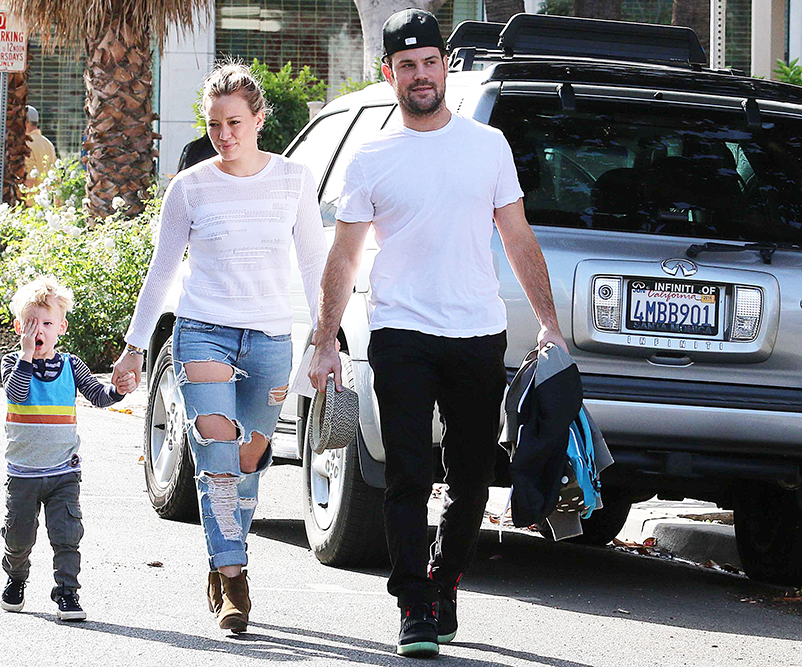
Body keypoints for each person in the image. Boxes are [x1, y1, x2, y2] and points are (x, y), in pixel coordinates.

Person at [307, 9, 567, 658]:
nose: (420, 75)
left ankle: (445, 579)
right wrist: (325, 338)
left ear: (444, 66)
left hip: (477, 332)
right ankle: (414, 604)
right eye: (407, 65)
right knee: (407, 474)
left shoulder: (487, 148)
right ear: (390, 72)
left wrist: (549, 324)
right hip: (400, 332)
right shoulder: (372, 158)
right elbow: (343, 257)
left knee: (474, 477)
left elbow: (518, 237)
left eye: (430, 62)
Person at [111, 63, 327, 633]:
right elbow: (162, 273)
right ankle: (234, 576)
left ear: (259, 119)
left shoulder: (294, 181)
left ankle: (220, 551)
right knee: (215, 454)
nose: (224, 134)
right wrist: (135, 347)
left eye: (235, 122)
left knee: (250, 458)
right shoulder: (190, 187)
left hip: (271, 337)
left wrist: (326, 339)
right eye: (213, 125)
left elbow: (313, 264)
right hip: (203, 328)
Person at [0, 275, 137, 621]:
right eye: (32, 324)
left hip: (63, 471)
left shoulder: (70, 366)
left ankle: (67, 594)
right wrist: (27, 356)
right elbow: (15, 393)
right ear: (19, 327)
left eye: (47, 323)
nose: (39, 330)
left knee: (66, 536)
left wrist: (119, 390)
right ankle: (16, 579)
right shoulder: (12, 363)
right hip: (24, 472)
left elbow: (99, 396)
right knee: (19, 538)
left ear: (61, 327)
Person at [23, 105, 57, 195]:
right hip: (46, 201)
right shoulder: (48, 143)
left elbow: (29, 180)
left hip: (29, 203)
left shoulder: (26, 144)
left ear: (25, 122)